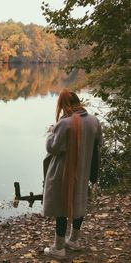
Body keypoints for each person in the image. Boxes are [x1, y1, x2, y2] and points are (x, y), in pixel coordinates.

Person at [42, 89, 102, 258]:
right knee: (79, 202)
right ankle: (73, 240)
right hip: (84, 169)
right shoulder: (94, 121)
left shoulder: (65, 123)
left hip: (64, 171)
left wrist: (50, 133)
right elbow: (98, 144)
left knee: (62, 205)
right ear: (78, 102)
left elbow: (53, 147)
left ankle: (58, 248)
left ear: (64, 105)